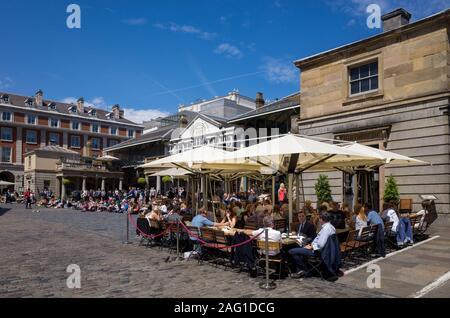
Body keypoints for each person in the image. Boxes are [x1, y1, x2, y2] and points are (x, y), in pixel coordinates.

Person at [289, 212, 336, 278]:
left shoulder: (326, 229)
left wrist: (311, 247)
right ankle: (302, 269)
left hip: (317, 251)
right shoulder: (331, 227)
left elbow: (321, 245)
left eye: (319, 219)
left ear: (322, 219)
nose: (318, 220)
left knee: (292, 251)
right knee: (298, 248)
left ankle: (305, 270)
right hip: (321, 250)